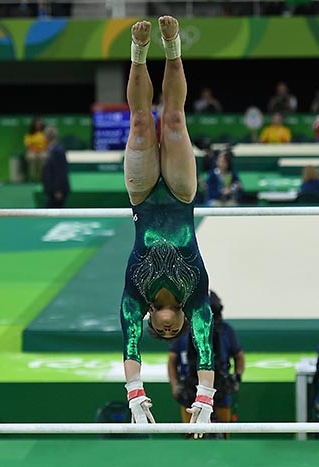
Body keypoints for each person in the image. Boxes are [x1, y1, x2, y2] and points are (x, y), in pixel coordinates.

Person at [120, 16, 216, 431]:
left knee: (141, 122)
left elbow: (128, 347)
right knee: (173, 118)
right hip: (180, 196)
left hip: (142, 196)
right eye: (175, 331)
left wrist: (135, 393)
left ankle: (139, 53)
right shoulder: (195, 296)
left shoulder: (134, 298)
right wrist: (205, 398)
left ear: (151, 324)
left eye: (163, 333)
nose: (171, 329)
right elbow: (206, 347)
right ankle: (172, 45)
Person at [168, 290, 245, 432]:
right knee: (191, 433)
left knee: (222, 433)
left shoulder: (226, 330)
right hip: (189, 388)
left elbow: (239, 356)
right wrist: (175, 384)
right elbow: (172, 360)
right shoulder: (182, 330)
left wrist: (237, 377)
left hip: (220, 388)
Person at [41, 126, 70, 208]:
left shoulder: (58, 150)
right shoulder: (52, 149)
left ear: (47, 137)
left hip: (57, 190)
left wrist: (58, 190)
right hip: (52, 189)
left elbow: (61, 171)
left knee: (53, 213)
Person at [24, 116, 49, 182]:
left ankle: (43, 177)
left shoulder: (45, 133)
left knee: (43, 157)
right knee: (31, 157)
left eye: (39, 124)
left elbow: (48, 144)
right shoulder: (29, 134)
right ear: (34, 125)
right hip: (32, 151)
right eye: (36, 124)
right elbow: (28, 146)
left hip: (43, 151)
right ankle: (32, 178)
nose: (38, 125)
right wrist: (35, 150)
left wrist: (41, 150)